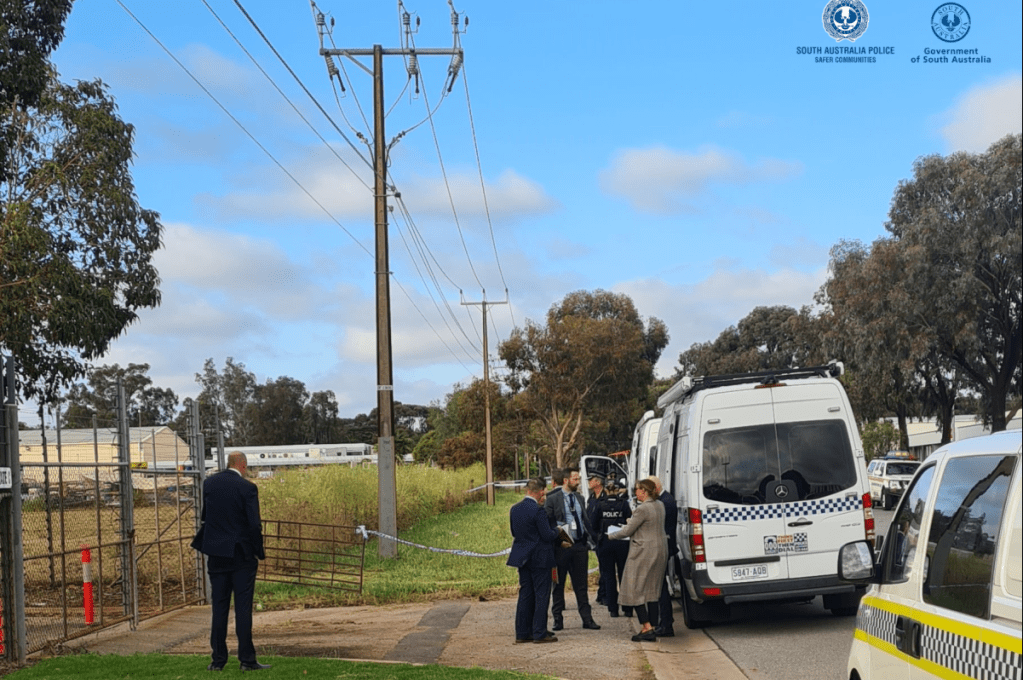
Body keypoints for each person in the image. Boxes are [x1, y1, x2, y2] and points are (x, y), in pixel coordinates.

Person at [191, 452, 270, 672]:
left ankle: (218, 660)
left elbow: (206, 516)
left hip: (216, 554)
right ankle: (247, 659)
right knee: (242, 607)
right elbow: (254, 525)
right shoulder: (247, 488)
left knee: (219, 607)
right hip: (241, 554)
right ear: (242, 465)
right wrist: (258, 551)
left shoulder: (209, 483)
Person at [609, 478, 667, 642]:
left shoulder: (642, 509)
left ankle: (646, 626)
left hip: (643, 552)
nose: (635, 492)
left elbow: (627, 531)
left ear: (644, 491)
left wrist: (610, 535)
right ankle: (652, 626)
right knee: (652, 590)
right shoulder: (660, 505)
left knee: (634, 588)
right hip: (660, 550)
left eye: (637, 489)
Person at [544, 467, 601, 631]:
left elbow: (585, 520)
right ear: (566, 480)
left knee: (581, 585)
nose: (578, 482)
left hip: (579, 546)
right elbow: (548, 522)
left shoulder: (579, 498)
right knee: (558, 584)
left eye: (578, 479)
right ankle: (557, 619)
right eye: (575, 479)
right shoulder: (552, 499)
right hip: (561, 547)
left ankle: (587, 619)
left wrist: (592, 539)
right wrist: (558, 536)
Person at [507, 478, 562, 643]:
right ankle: (539, 632)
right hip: (540, 557)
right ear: (539, 492)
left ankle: (522, 632)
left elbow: (513, 532)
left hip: (522, 556)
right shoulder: (538, 511)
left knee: (525, 594)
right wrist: (558, 531)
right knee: (541, 595)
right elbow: (547, 535)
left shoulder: (515, 509)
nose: (544, 495)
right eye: (543, 493)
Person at [594, 476, 633, 617]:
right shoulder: (624, 504)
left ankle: (613, 609)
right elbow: (630, 522)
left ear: (605, 490)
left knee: (609, 576)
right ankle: (627, 608)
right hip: (622, 543)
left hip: (606, 543)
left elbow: (593, 524)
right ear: (618, 491)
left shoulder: (600, 504)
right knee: (624, 575)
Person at [649, 475, 678, 637]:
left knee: (661, 587)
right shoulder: (666, 499)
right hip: (665, 546)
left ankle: (666, 624)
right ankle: (665, 622)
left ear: (656, 488)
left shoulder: (664, 502)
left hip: (662, 548)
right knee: (661, 586)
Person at [586, 475, 607, 605]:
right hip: (593, 536)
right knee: (602, 566)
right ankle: (602, 593)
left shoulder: (605, 497)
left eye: (591, 480)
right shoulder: (592, 497)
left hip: (603, 536)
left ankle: (604, 594)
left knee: (605, 567)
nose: (588, 483)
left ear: (598, 482)